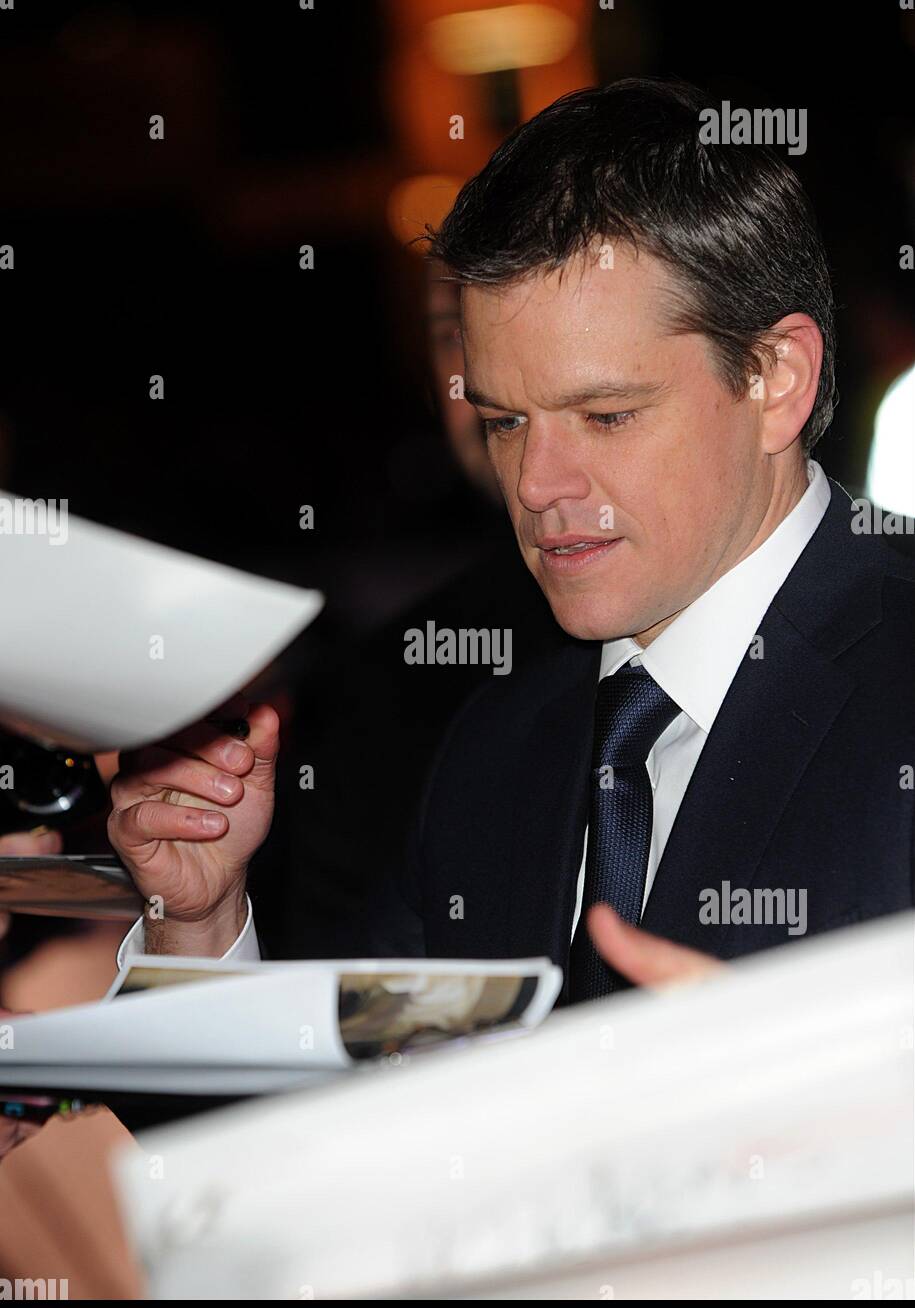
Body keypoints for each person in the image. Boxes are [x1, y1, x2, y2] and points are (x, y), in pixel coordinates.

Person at [106, 79, 915, 1002]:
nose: (535, 486)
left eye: (606, 415)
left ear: (776, 379)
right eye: (503, 422)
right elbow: (354, 1125)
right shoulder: (495, 746)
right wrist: (200, 925)